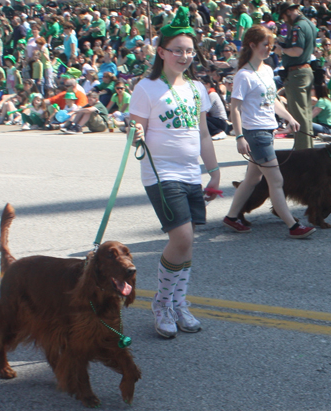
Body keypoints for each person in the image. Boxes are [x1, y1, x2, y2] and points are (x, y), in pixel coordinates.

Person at [129, 7, 220, 339]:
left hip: (190, 173)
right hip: (160, 173)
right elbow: (136, 126)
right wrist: (136, 133)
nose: (184, 56)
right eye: (177, 50)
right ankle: (162, 304)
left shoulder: (196, 89)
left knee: (188, 245)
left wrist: (213, 170)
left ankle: (179, 302)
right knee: (180, 238)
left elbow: (204, 135)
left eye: (189, 51)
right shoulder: (147, 88)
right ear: (161, 52)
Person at [223, 25, 316, 239]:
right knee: (276, 181)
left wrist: (289, 116)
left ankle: (231, 217)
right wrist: (239, 137)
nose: (269, 49)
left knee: (252, 179)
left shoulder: (266, 69)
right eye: (266, 45)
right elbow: (234, 108)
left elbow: (271, 100)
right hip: (255, 133)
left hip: (267, 130)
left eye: (271, 45)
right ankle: (293, 226)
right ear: (252, 45)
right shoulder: (243, 75)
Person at [276, 2, 316, 149]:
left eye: (284, 17)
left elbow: (297, 51)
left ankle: (302, 149)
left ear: (288, 12)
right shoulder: (310, 24)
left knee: (298, 114)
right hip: (305, 70)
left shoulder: (298, 27)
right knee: (305, 113)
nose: (285, 20)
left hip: (297, 72)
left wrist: (281, 49)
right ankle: (308, 147)